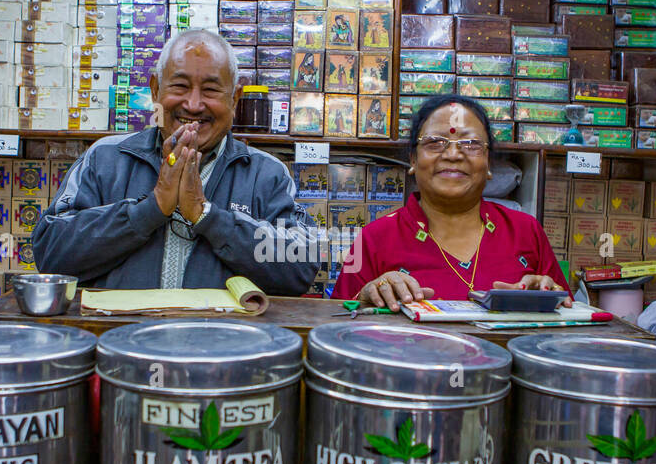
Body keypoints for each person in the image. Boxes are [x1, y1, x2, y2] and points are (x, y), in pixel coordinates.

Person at [33, 29, 318, 295]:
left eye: (210, 90)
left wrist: (208, 217)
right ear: (155, 91)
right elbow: (50, 254)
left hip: (226, 345)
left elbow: (300, 268)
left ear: (235, 99)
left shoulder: (265, 174)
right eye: (180, 86)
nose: (193, 105)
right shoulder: (106, 158)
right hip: (123, 344)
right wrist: (150, 209)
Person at [332, 94, 571, 309]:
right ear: (413, 160)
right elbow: (338, 322)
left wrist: (550, 297)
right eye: (435, 142)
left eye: (471, 144)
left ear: (488, 164)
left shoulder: (525, 230)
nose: (453, 154)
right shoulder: (375, 238)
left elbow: (570, 321)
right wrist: (366, 298)